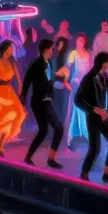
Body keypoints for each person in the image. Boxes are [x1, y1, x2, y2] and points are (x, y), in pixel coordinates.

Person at [75, 52, 108, 184]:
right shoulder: (88, 78)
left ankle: (107, 173)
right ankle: (84, 173)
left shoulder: (103, 75)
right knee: (95, 148)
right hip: (93, 117)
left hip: (104, 115)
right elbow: (77, 100)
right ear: (103, 63)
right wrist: (94, 109)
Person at [22, 39, 65, 169]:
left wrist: (59, 80)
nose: (53, 51)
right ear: (46, 50)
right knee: (58, 128)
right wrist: (23, 98)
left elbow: (49, 81)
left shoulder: (49, 62)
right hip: (40, 101)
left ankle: (29, 157)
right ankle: (50, 159)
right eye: (52, 48)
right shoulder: (36, 64)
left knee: (43, 131)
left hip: (46, 100)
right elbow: (27, 81)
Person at [63, 33, 93, 150]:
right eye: (78, 40)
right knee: (76, 109)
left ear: (84, 42)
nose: (79, 42)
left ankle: (85, 135)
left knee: (85, 109)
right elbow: (67, 68)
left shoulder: (88, 54)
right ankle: (71, 137)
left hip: (85, 84)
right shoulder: (73, 53)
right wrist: (66, 81)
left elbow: (90, 70)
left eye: (81, 40)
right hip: (76, 83)